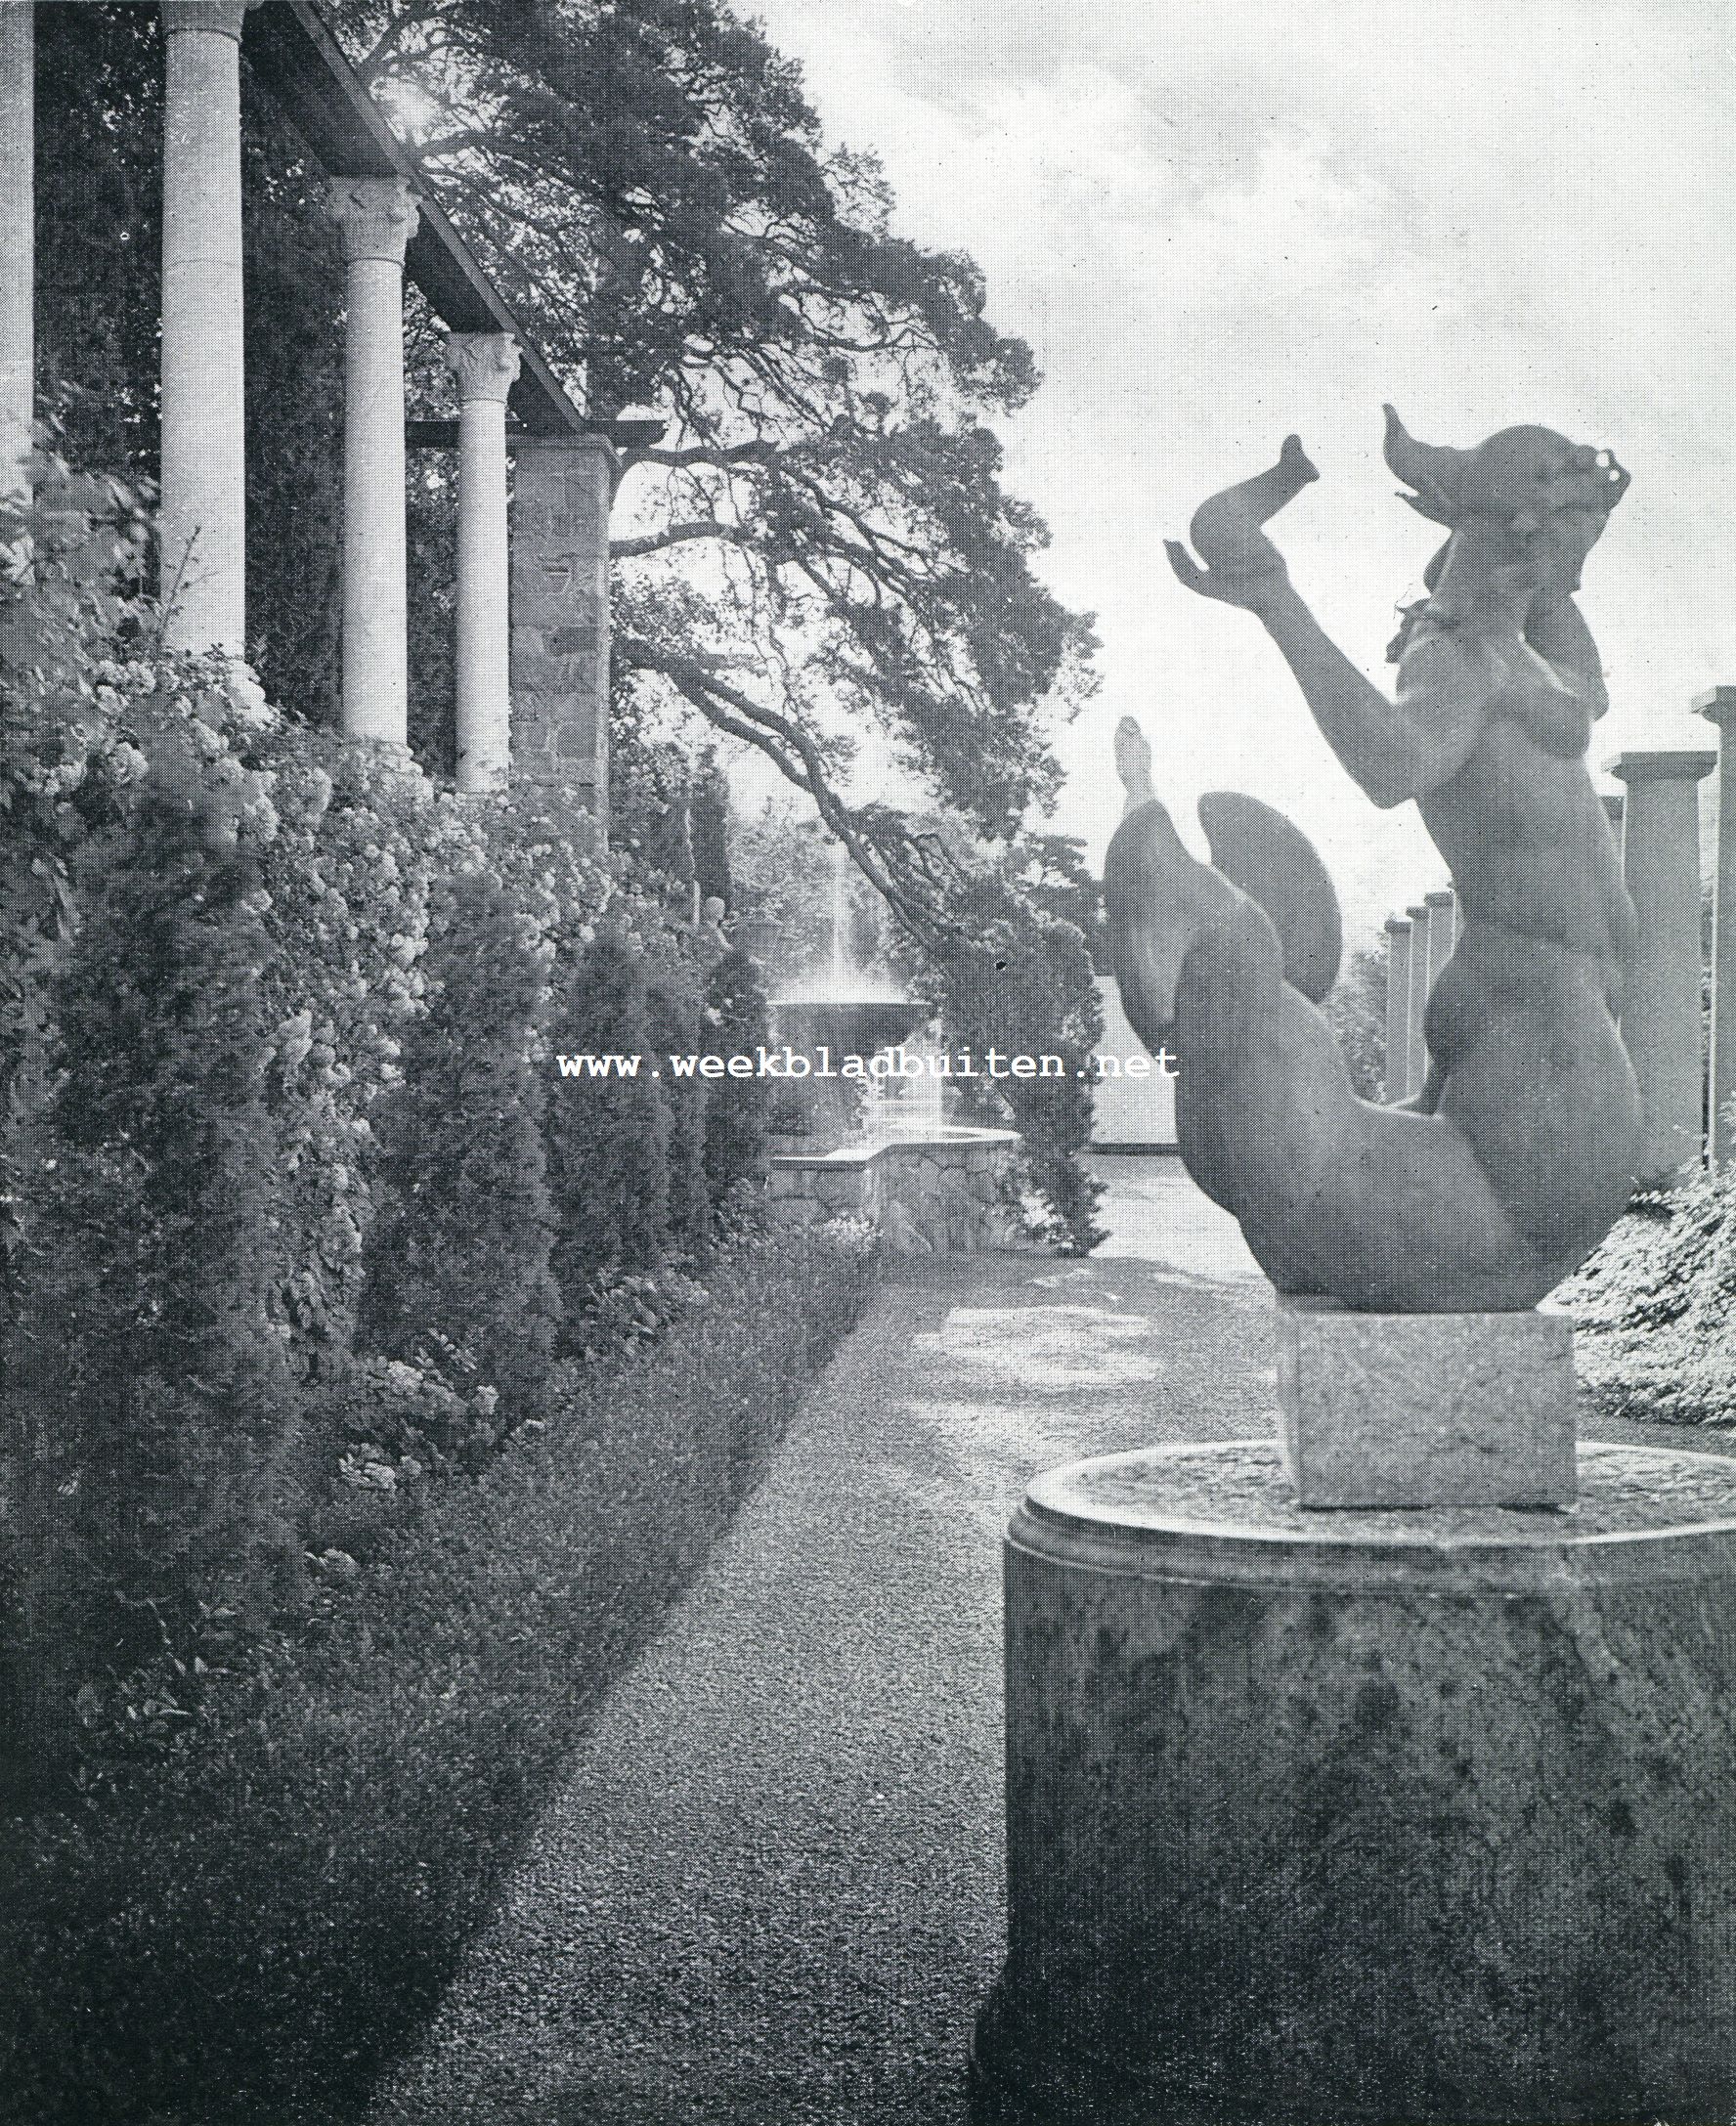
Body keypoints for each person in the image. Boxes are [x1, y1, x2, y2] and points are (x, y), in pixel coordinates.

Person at [1107, 410, 1639, 1310]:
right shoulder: (1462, 660)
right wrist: (1275, 597)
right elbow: (1390, 763)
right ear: (1532, 526)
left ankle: (1242, 1049)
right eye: (1581, 531)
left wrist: (1510, 549)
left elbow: (1586, 689)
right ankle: (1208, 950)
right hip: (1536, 1063)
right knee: (1417, 1223)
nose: (1585, 560)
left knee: (1352, 1205)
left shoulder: (1524, 651)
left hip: (1518, 1046)